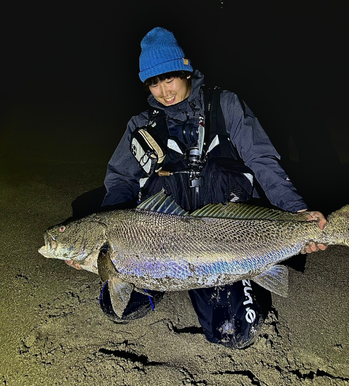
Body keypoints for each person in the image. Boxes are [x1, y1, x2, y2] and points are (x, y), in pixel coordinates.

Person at [75, 27, 327, 348]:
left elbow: (263, 160)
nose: (164, 91)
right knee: (117, 307)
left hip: (229, 240)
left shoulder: (225, 105)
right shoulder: (141, 126)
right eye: (154, 83)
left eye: (169, 78)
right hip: (159, 243)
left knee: (232, 333)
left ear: (186, 70)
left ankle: (250, 273)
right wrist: (98, 239)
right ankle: (159, 283)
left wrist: (296, 210)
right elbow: (121, 182)